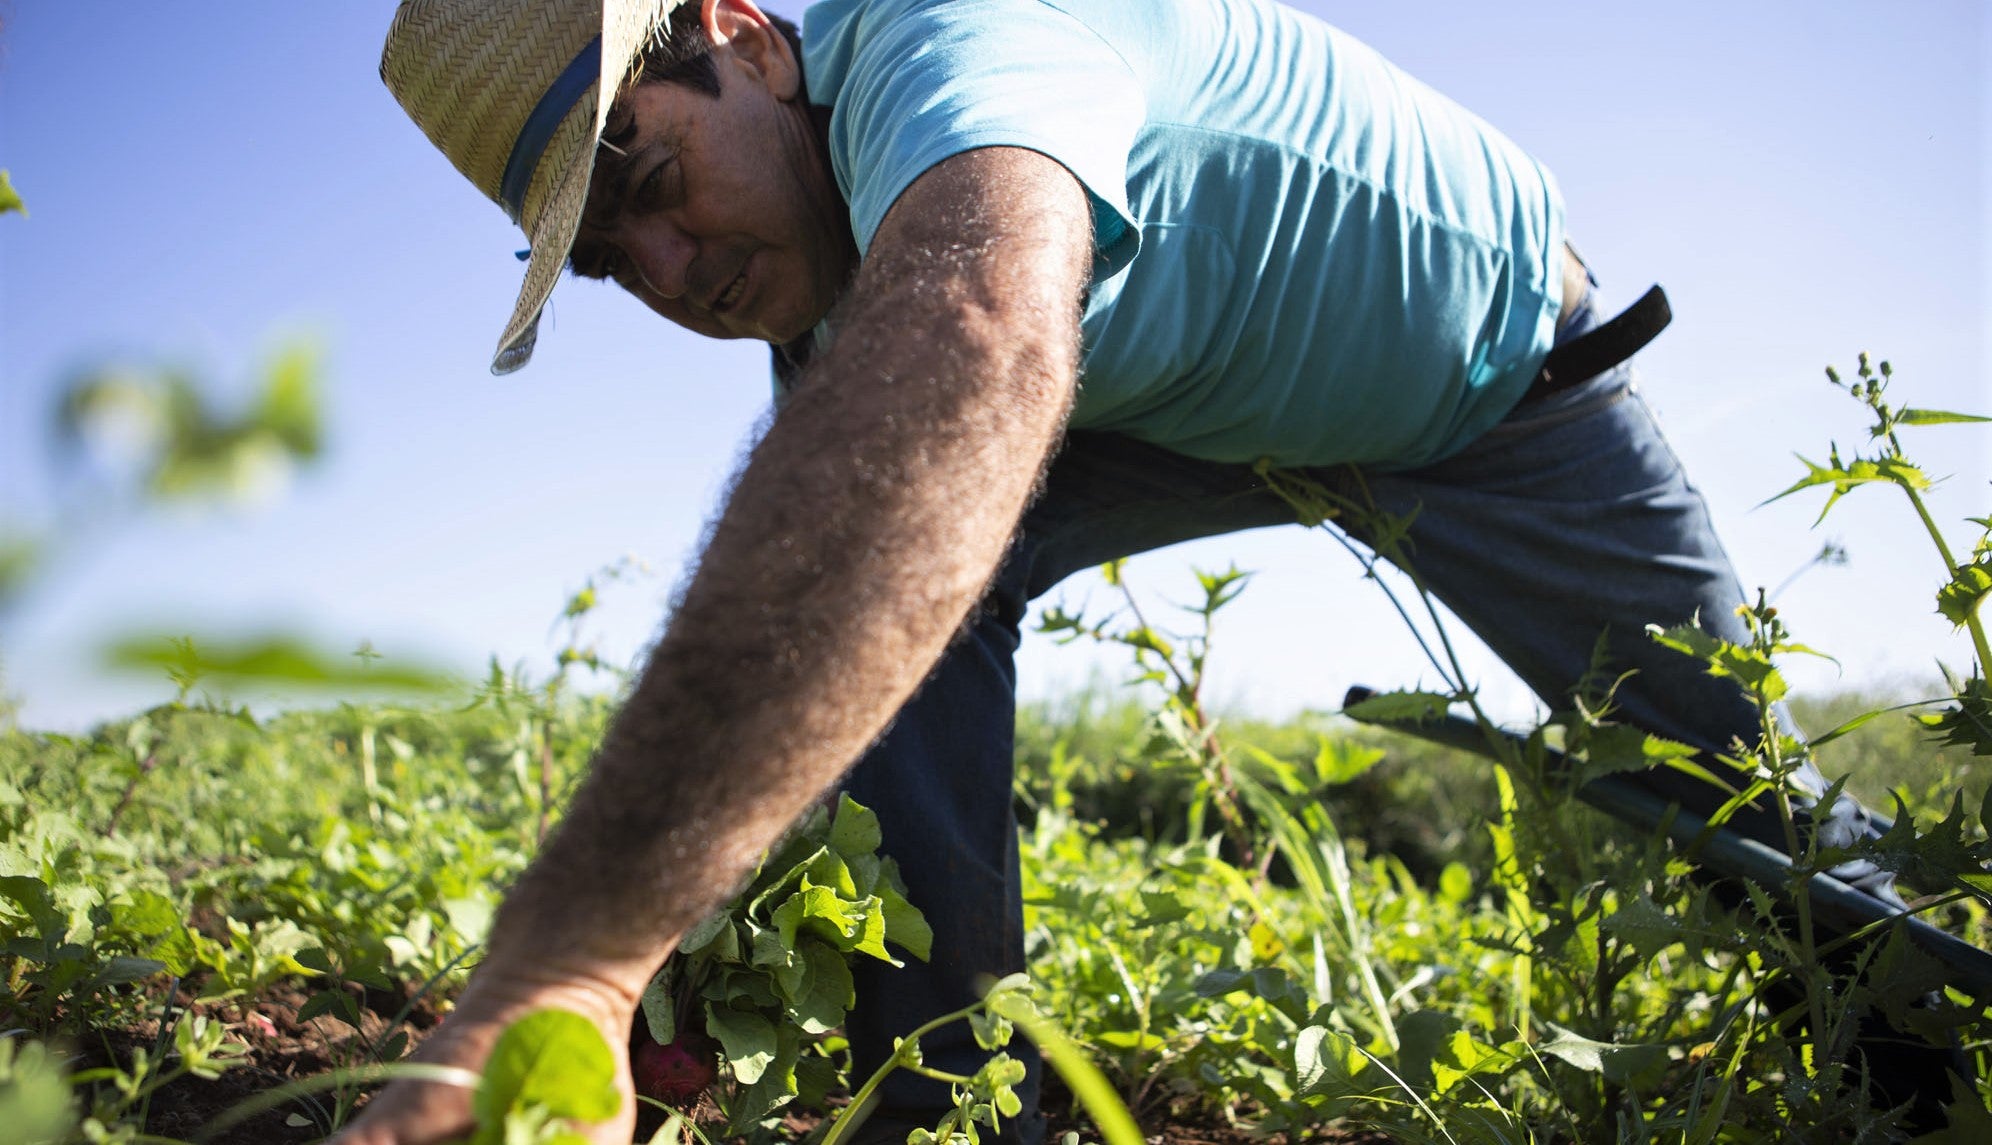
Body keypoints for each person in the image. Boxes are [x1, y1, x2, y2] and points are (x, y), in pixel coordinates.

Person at [349, 1, 1946, 1142]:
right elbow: (827, 607)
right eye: (615, 267)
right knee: (893, 577)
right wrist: (696, 962)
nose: (675, 274)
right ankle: (958, 1108)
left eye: (652, 188)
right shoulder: (818, 286)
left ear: (744, 38)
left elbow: (975, 340)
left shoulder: (952, 39)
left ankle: (1934, 1067)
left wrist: (575, 951)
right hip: (1156, 407)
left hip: (1484, 378)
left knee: (1749, 811)